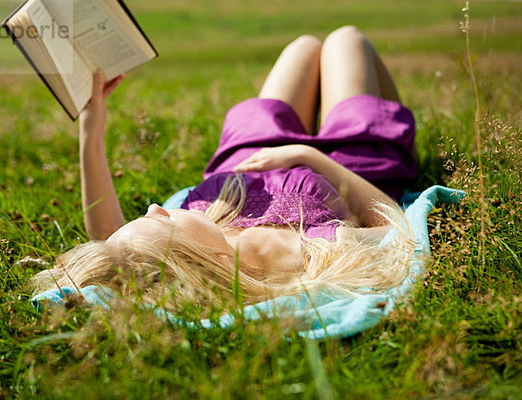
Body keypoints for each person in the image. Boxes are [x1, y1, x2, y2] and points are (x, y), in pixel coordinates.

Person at [32, 26, 418, 308]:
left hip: (248, 160)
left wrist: (91, 129)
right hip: (344, 165)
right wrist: (307, 155)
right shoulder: (299, 253)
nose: (154, 208)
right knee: (346, 39)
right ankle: (398, 135)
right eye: (164, 220)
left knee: (303, 45)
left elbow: (113, 240)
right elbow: (393, 227)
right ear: (205, 258)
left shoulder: (165, 249)